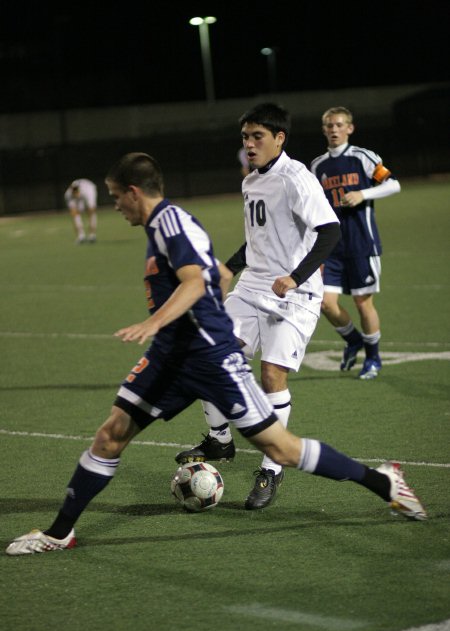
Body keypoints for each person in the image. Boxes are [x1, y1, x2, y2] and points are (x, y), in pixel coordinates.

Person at [6, 152, 426, 556]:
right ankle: (60, 533)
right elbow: (208, 279)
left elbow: (192, 283)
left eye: (116, 197)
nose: (115, 206)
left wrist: (154, 321)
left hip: (210, 357)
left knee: (281, 449)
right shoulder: (159, 225)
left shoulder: (171, 224)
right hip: (172, 356)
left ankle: (384, 483)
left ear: (134, 192)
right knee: (111, 434)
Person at [176, 102, 341, 511]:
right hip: (253, 286)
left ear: (279, 138)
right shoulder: (251, 181)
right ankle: (219, 441)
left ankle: (272, 466)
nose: (249, 145)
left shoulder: (296, 178)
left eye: (257, 137)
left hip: (296, 294)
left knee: (271, 375)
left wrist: (296, 277)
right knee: (209, 355)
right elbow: (258, 238)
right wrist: (229, 267)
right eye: (245, 138)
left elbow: (330, 231)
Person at [311, 107, 401, 379]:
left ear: (350, 128)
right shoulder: (317, 166)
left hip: (362, 243)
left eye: (339, 125)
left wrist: (363, 193)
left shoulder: (363, 157)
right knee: (326, 303)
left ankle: (373, 359)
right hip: (332, 248)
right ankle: (353, 340)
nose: (334, 130)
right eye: (329, 125)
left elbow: (393, 184)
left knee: (363, 303)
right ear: (324, 130)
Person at [64, 178, 98, 244]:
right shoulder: (68, 195)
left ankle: (92, 235)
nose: (75, 190)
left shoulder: (87, 190)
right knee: (75, 214)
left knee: (91, 212)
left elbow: (92, 209)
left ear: (79, 188)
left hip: (89, 188)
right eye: (74, 189)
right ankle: (81, 236)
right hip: (79, 196)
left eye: (76, 189)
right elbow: (73, 212)